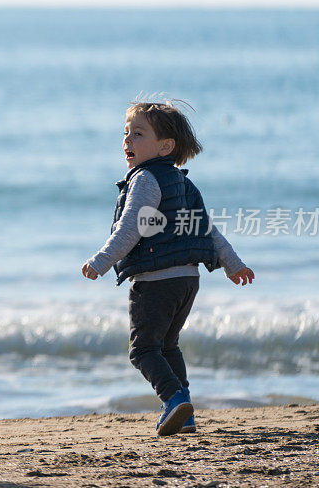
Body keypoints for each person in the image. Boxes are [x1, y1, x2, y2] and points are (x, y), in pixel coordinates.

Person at [81, 100, 255, 436]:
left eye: (138, 133)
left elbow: (130, 228)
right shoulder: (183, 183)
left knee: (143, 349)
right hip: (187, 280)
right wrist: (233, 264)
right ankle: (183, 412)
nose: (127, 140)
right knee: (167, 346)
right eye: (126, 133)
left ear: (166, 146)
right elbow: (207, 229)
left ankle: (174, 398)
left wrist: (102, 261)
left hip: (155, 282)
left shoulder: (145, 179)